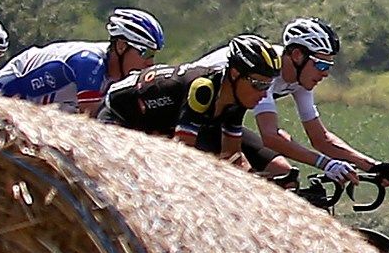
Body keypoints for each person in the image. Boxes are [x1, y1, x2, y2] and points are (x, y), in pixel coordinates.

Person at [103, 33, 295, 171]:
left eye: (267, 86)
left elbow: (232, 157)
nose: (264, 93)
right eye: (259, 85)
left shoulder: (237, 99)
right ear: (236, 74)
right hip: (119, 114)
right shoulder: (203, 89)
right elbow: (182, 156)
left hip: (160, 122)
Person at [249, 17, 389, 191]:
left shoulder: (300, 80)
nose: (326, 73)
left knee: (284, 175)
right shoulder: (266, 68)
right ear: (297, 56)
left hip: (227, 123)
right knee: (261, 172)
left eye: (329, 65)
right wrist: (326, 164)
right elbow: (270, 137)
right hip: (213, 119)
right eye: (321, 64)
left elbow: (321, 139)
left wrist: (373, 166)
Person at [0, 8, 164, 114]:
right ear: (121, 46)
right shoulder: (89, 63)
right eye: (145, 53)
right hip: (12, 87)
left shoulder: (117, 73)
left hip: (50, 109)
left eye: (153, 54)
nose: (150, 63)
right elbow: (93, 122)